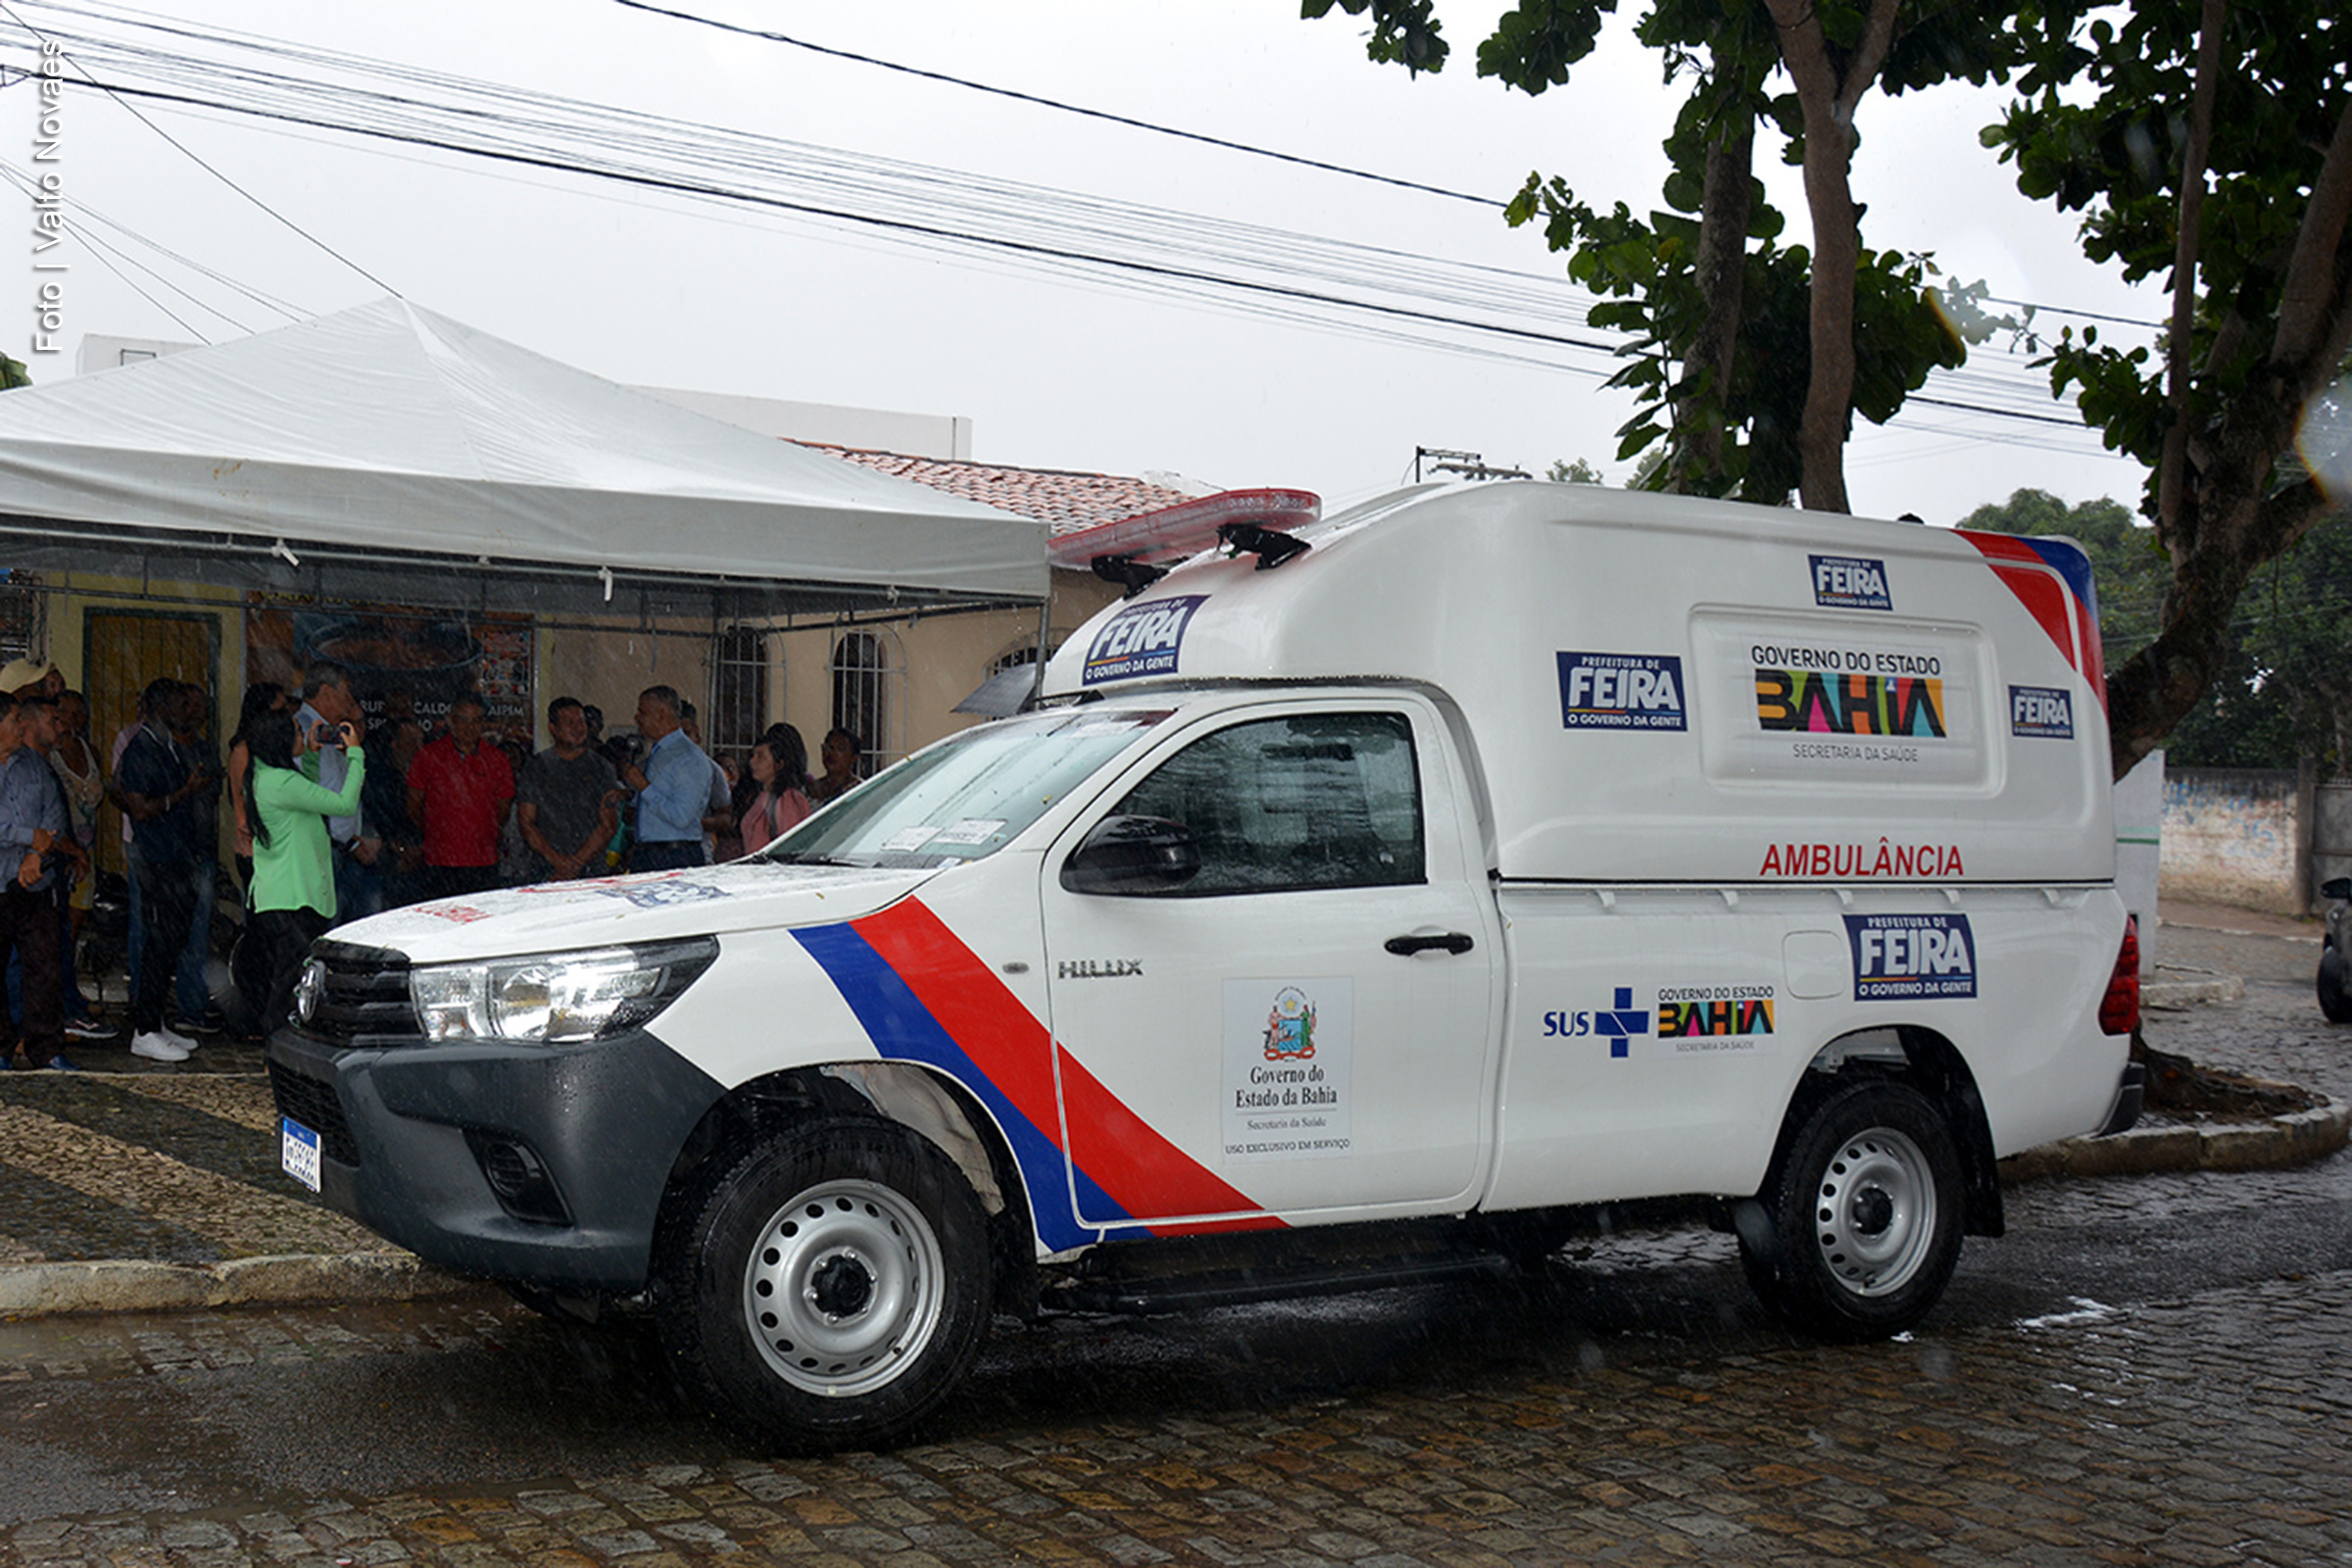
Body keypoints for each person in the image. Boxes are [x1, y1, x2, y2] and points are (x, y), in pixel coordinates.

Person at [113, 678, 216, 1063]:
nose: (185, 710)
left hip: (177, 860)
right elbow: (138, 807)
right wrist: (184, 793)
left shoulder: (168, 744)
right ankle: (143, 1031)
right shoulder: (141, 749)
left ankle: (155, 1021)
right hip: (157, 862)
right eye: (177, 704)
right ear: (158, 707)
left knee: (171, 942)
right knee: (158, 943)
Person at [245, 709, 365, 1033]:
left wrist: (311, 756)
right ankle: (277, 1051)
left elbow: (306, 791)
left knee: (289, 979)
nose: (303, 736)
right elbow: (342, 805)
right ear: (281, 741)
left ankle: (281, 1047)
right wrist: (355, 755)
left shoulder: (266, 775)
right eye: (298, 733)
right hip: (293, 897)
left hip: (281, 894)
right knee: (288, 985)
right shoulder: (281, 782)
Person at [0, 694, 77, 1070]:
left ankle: (46, 1049)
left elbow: (54, 814)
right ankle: (1, 1048)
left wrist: (36, 853)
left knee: (44, 968)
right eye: (15, 719)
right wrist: (27, 836)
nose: (21, 726)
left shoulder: (35, 765)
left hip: (35, 882)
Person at [293, 661, 381, 923]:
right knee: (324, 932)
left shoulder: (328, 731)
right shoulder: (302, 730)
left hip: (342, 850)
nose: (350, 700)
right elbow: (310, 797)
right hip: (322, 850)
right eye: (346, 692)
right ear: (326, 692)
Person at [46, 690, 111, 1041]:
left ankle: (68, 996)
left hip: (86, 854)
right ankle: (60, 1004)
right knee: (58, 935)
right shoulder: (49, 756)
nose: (73, 719)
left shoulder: (89, 751)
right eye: (65, 713)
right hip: (62, 854)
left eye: (79, 713)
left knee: (72, 934)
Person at [405, 692, 514, 900]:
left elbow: (503, 810)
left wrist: (481, 831)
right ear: (449, 720)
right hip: (438, 862)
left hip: (483, 861)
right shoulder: (429, 755)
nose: (469, 727)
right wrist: (439, 831)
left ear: (484, 724)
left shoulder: (497, 759)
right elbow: (413, 806)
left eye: (476, 720)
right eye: (462, 720)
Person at [516, 697, 619, 881]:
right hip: (546, 870)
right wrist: (557, 861)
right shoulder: (536, 767)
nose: (578, 728)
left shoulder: (602, 768)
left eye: (581, 722)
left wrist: (575, 864)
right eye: (569, 722)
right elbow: (526, 822)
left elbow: (609, 825)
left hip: (591, 870)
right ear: (553, 729)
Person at [617, 685, 711, 871]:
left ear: (662, 714)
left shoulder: (688, 758)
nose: (637, 719)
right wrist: (630, 796)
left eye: (642, 712)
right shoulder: (659, 752)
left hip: (675, 856)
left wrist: (643, 786)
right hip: (648, 853)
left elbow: (681, 817)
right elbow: (659, 799)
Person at [226, 682, 289, 897]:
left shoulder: (275, 747)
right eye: (279, 712)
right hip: (257, 848)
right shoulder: (244, 749)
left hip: (277, 848)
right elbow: (238, 799)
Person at [360, 715, 426, 909]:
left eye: (422, 741)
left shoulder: (427, 775)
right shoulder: (378, 778)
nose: (419, 747)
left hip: (418, 863)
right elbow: (377, 817)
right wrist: (400, 849)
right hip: (385, 863)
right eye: (412, 741)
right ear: (395, 744)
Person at [737, 734, 812, 854]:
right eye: (753, 755)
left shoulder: (788, 799)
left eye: (761, 757)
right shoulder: (758, 796)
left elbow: (789, 846)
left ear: (779, 765)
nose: (752, 761)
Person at [808, 727, 862, 806]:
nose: (832, 753)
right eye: (828, 748)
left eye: (840, 749)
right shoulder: (810, 790)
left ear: (854, 758)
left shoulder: (860, 791)